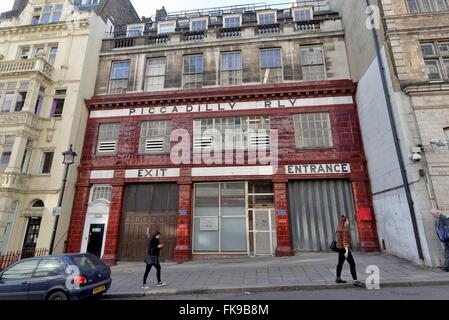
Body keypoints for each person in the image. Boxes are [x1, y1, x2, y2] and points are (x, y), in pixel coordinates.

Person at [335, 215, 365, 288]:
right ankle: (355, 281)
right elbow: (345, 241)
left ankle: (338, 278)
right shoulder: (345, 230)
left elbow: (338, 239)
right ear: (345, 222)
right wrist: (347, 251)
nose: (348, 222)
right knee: (352, 264)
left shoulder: (339, 229)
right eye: (348, 221)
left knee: (340, 264)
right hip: (345, 249)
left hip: (340, 249)